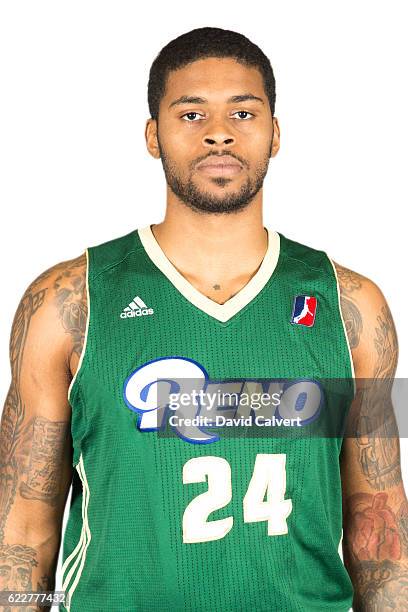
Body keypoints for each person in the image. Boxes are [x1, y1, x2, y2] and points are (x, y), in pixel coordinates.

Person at [0, 26, 407, 612]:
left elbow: (380, 530)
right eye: (191, 114)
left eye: (243, 112)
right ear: (152, 135)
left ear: (275, 133)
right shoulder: (71, 300)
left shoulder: (351, 306)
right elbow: (22, 526)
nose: (219, 132)